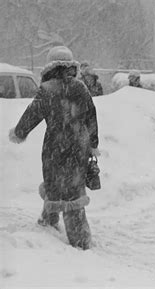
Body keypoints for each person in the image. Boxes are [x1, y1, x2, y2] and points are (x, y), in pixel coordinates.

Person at [8, 46, 99, 249]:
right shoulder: (81, 88)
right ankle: (51, 222)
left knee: (56, 182)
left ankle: (80, 241)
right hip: (79, 145)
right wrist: (92, 143)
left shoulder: (48, 90)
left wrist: (20, 132)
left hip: (55, 145)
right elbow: (91, 117)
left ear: (50, 66)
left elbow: (32, 114)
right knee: (73, 186)